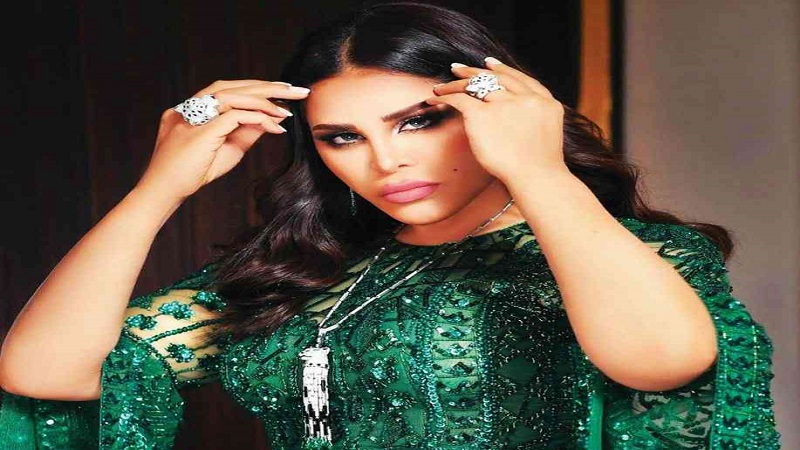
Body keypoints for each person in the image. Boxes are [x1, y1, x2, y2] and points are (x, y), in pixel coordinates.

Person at [0, 2, 780, 449]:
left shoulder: (633, 256)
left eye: (418, 121)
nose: (384, 161)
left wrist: (539, 170)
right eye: (343, 137)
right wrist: (157, 188)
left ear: (495, 108)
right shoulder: (307, 275)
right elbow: (43, 373)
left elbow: (662, 363)